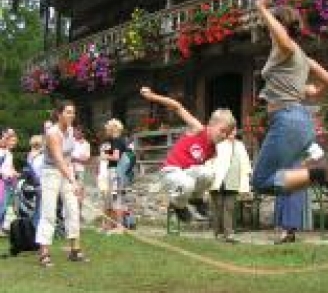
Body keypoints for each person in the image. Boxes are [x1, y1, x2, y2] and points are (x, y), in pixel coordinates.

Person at [251, 0, 328, 201]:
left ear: (279, 26)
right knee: (276, 176)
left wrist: (262, 8)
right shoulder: (303, 57)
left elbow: (286, 43)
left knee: (261, 181)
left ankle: (322, 173)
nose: (267, 29)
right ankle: (323, 171)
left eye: (271, 25)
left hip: (286, 118)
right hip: (298, 118)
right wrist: (312, 89)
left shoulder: (285, 48)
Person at [140, 86, 236, 222]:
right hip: (170, 173)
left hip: (187, 176)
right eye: (222, 131)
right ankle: (178, 206)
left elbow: (211, 173)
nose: (224, 135)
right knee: (187, 183)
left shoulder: (214, 149)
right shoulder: (198, 129)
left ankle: (196, 199)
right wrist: (152, 96)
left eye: (227, 134)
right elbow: (177, 107)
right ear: (211, 124)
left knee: (208, 173)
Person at [35, 100, 89, 267]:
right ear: (59, 114)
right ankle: (44, 253)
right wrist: (73, 180)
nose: (71, 115)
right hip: (51, 172)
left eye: (73, 112)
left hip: (67, 171)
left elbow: (68, 158)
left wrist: (74, 180)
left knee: (73, 209)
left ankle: (75, 250)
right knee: (49, 213)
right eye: (67, 112)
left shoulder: (71, 130)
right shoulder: (52, 133)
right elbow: (58, 159)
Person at [208, 128, 252, 243]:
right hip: (218, 181)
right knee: (217, 208)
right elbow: (209, 161)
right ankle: (217, 233)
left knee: (229, 208)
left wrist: (245, 182)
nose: (232, 133)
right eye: (230, 131)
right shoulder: (218, 145)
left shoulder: (240, 145)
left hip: (232, 181)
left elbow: (245, 163)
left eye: (234, 131)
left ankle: (229, 234)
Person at [100, 119, 128, 233]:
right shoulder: (115, 141)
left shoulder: (117, 140)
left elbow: (116, 157)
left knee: (116, 198)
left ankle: (119, 226)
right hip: (113, 171)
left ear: (113, 128)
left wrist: (104, 156)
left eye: (107, 128)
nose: (106, 130)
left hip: (115, 171)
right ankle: (109, 225)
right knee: (111, 199)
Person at [0, 128, 19, 236]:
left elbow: (10, 167)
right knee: (1, 206)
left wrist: (15, 174)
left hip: (10, 182)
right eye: (10, 140)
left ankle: (1, 228)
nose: (13, 143)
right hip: (3, 182)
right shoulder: (2, 152)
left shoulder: (9, 153)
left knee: (5, 207)